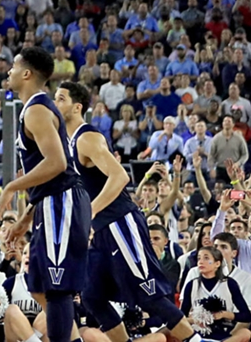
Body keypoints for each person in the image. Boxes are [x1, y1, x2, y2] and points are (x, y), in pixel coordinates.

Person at [54, 81, 202, 342]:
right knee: (92, 296)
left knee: (148, 292)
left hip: (119, 222)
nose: (55, 104)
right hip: (100, 229)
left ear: (77, 107)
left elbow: (120, 177)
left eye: (61, 99)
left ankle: (196, 340)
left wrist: (89, 213)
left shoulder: (87, 137)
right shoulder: (65, 144)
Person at [0, 47, 90, 342]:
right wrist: (26, 216)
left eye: (13, 67)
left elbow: (58, 164)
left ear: (26, 73)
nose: (9, 72)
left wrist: (13, 186)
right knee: (37, 283)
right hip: (49, 202)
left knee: (57, 288)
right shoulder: (33, 109)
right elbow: (47, 173)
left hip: (63, 201)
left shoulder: (37, 110)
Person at [179, 247, 251, 342]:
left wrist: (224, 314)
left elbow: (246, 316)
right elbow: (181, 319)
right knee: (171, 329)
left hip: (224, 333)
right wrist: (195, 320)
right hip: (197, 335)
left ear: (217, 263)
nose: (201, 261)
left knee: (245, 332)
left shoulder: (229, 284)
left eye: (206, 258)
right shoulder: (192, 285)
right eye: (199, 258)